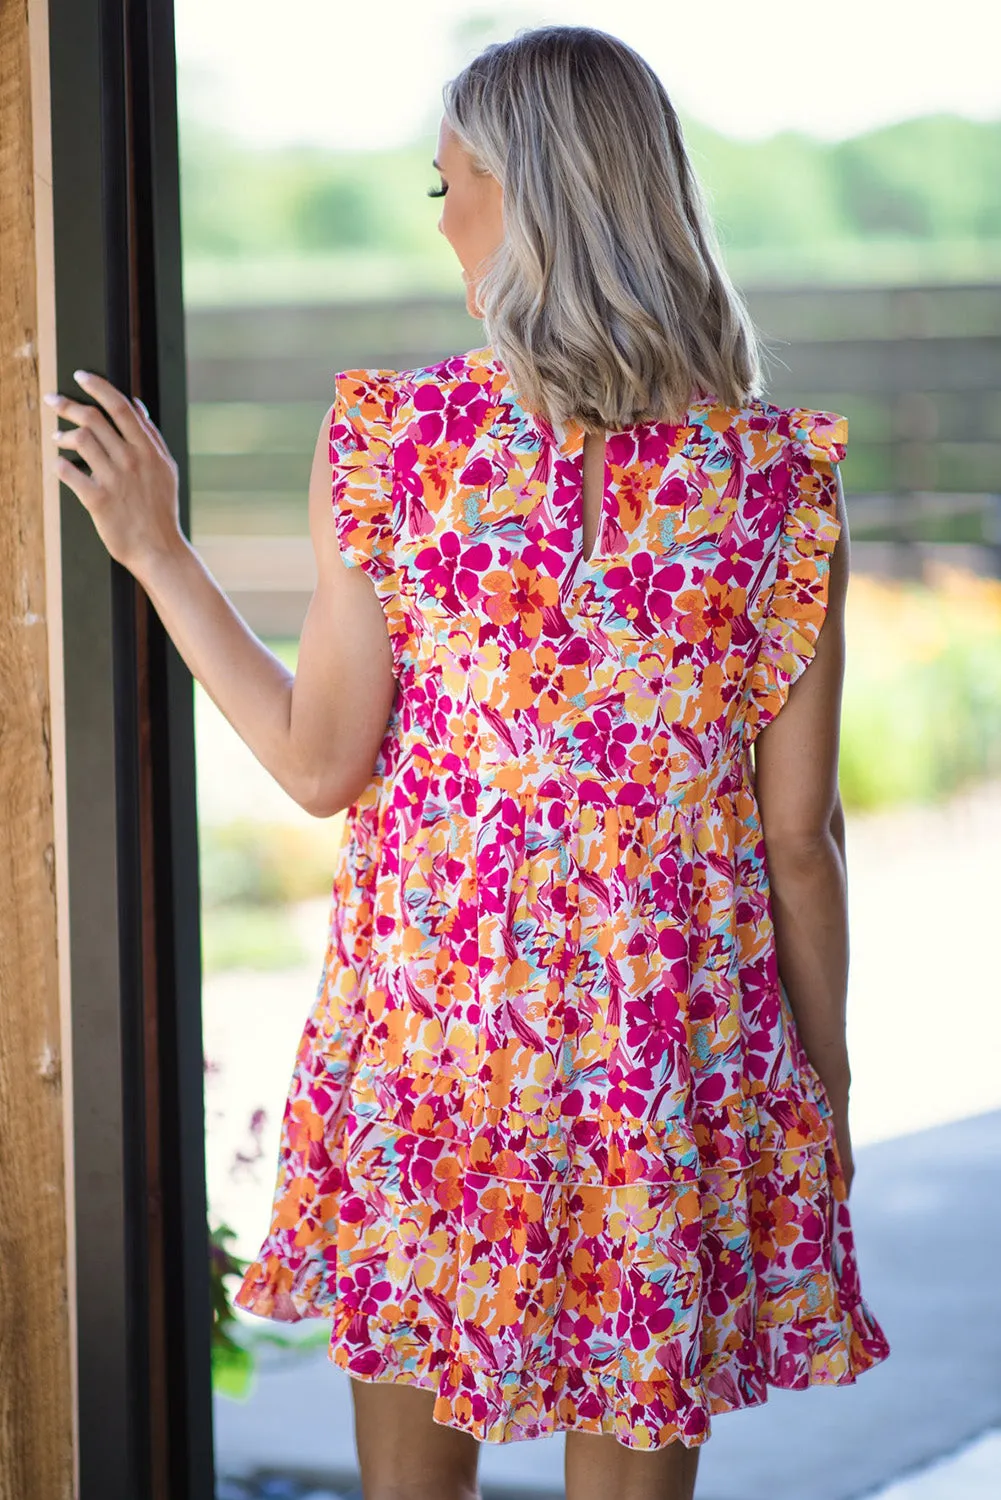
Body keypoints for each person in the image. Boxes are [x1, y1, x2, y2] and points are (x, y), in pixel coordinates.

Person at [45, 24, 890, 1500]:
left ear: (529, 198)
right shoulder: (778, 483)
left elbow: (321, 766)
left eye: (450, 185)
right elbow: (800, 844)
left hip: (438, 1034)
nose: (441, 220)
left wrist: (159, 553)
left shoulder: (397, 441)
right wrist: (816, 1086)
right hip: (661, 1059)